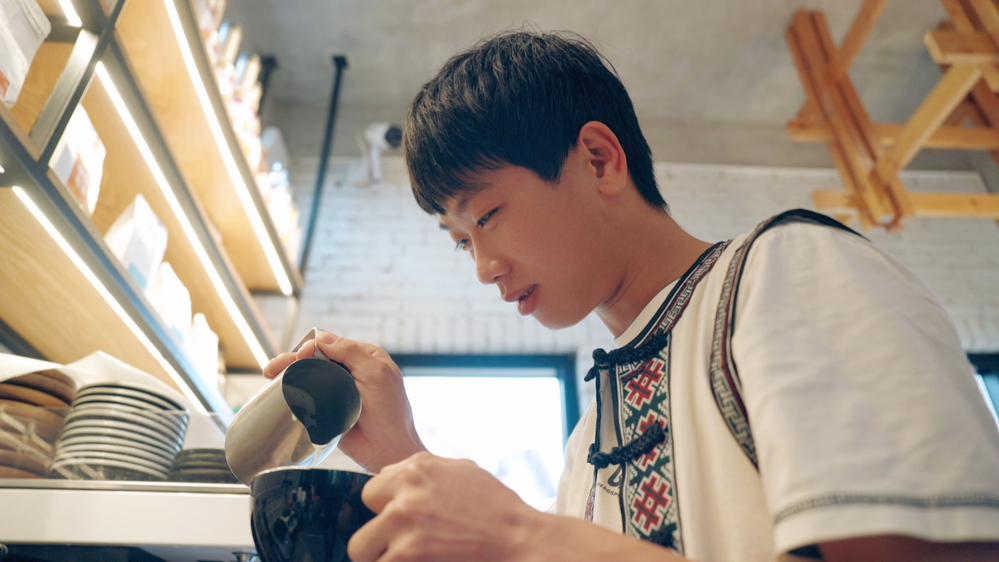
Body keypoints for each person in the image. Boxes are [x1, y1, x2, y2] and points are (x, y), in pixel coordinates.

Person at [263, 31, 999, 561]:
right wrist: (400, 454)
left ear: (598, 159)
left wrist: (522, 536)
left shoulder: (785, 272)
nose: (482, 268)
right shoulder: (587, 445)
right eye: (461, 242)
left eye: (485, 216)